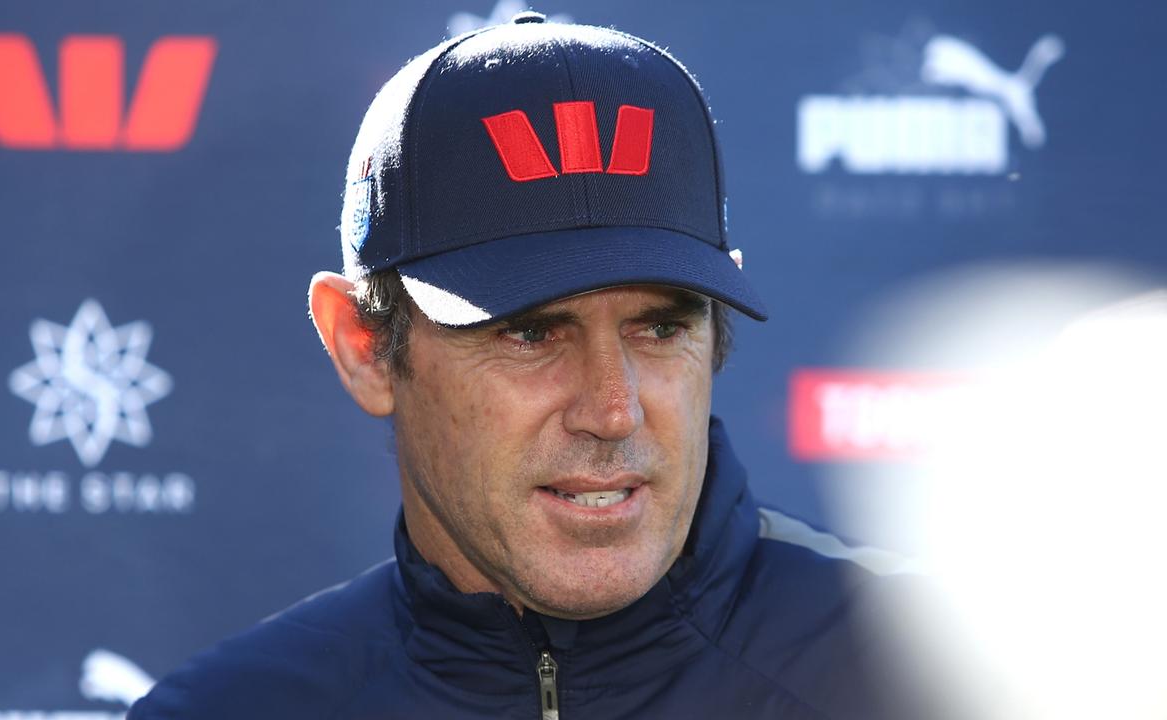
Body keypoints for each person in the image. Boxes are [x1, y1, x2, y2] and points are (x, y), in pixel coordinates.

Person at [130, 13, 930, 719]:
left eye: (659, 327)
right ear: (365, 347)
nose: (612, 410)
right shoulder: (230, 710)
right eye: (530, 332)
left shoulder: (945, 680)